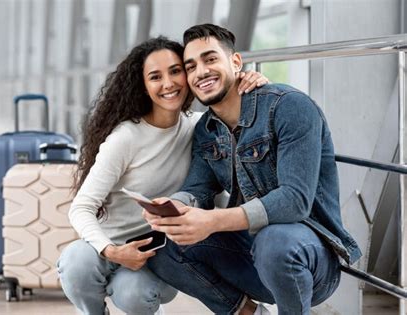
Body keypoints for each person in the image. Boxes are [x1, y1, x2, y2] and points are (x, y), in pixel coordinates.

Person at [143, 24, 362, 315]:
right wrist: (176, 204)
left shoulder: (289, 106)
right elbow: (199, 189)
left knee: (276, 242)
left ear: (235, 62)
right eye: (191, 66)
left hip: (309, 258)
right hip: (251, 256)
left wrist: (213, 221)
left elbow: (295, 201)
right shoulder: (206, 130)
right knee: (162, 246)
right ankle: (248, 312)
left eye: (210, 59)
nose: (201, 72)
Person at [57, 36, 269, 315]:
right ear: (143, 86)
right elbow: (81, 207)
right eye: (155, 77)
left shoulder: (199, 127)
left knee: (135, 294)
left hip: (157, 254)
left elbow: (233, 111)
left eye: (175, 71)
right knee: (75, 263)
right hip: (109, 246)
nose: (168, 84)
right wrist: (111, 250)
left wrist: (251, 83)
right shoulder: (126, 138)